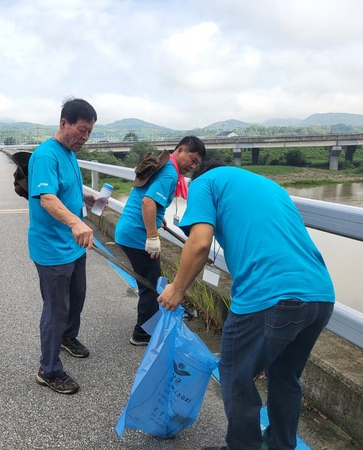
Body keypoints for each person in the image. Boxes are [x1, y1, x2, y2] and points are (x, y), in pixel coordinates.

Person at [158, 160, 335, 450]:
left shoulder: (204, 182)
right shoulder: (267, 184)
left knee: (235, 376)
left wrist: (177, 289)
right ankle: (280, 445)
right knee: (285, 377)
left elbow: (200, 243)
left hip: (268, 295)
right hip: (320, 295)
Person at [28, 98, 98, 395]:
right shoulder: (46, 156)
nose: (84, 137)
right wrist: (76, 223)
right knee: (56, 309)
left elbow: (65, 189)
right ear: (63, 123)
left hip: (73, 247)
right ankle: (49, 369)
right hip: (53, 249)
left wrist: (86, 198)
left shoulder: (69, 153)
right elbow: (47, 198)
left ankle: (67, 338)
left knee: (77, 298)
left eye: (89, 133)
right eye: (81, 130)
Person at [114, 136, 205, 346]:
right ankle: (142, 334)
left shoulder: (164, 165)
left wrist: (157, 217)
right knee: (151, 285)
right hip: (137, 235)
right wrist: (152, 236)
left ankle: (150, 324)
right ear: (180, 150)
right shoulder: (170, 172)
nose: (193, 165)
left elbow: (148, 199)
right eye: (193, 159)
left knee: (151, 279)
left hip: (128, 230)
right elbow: (147, 202)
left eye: (197, 163)